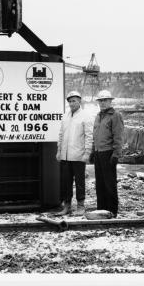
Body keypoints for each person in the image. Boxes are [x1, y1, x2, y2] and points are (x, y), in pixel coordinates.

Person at [56, 91, 93, 216]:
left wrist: (87, 153)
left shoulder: (85, 116)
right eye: (70, 101)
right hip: (65, 156)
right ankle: (67, 206)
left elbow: (89, 136)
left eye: (74, 101)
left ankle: (81, 206)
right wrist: (59, 150)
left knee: (79, 182)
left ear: (79, 101)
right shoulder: (65, 116)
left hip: (78, 155)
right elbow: (61, 134)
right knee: (66, 182)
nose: (72, 103)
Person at [91, 90, 124, 218]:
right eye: (100, 101)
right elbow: (95, 136)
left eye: (105, 100)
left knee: (109, 183)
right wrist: (94, 151)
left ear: (110, 101)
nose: (102, 103)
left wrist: (116, 154)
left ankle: (112, 210)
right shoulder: (99, 116)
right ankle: (101, 209)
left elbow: (118, 136)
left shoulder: (115, 115)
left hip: (108, 154)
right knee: (99, 183)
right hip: (99, 153)